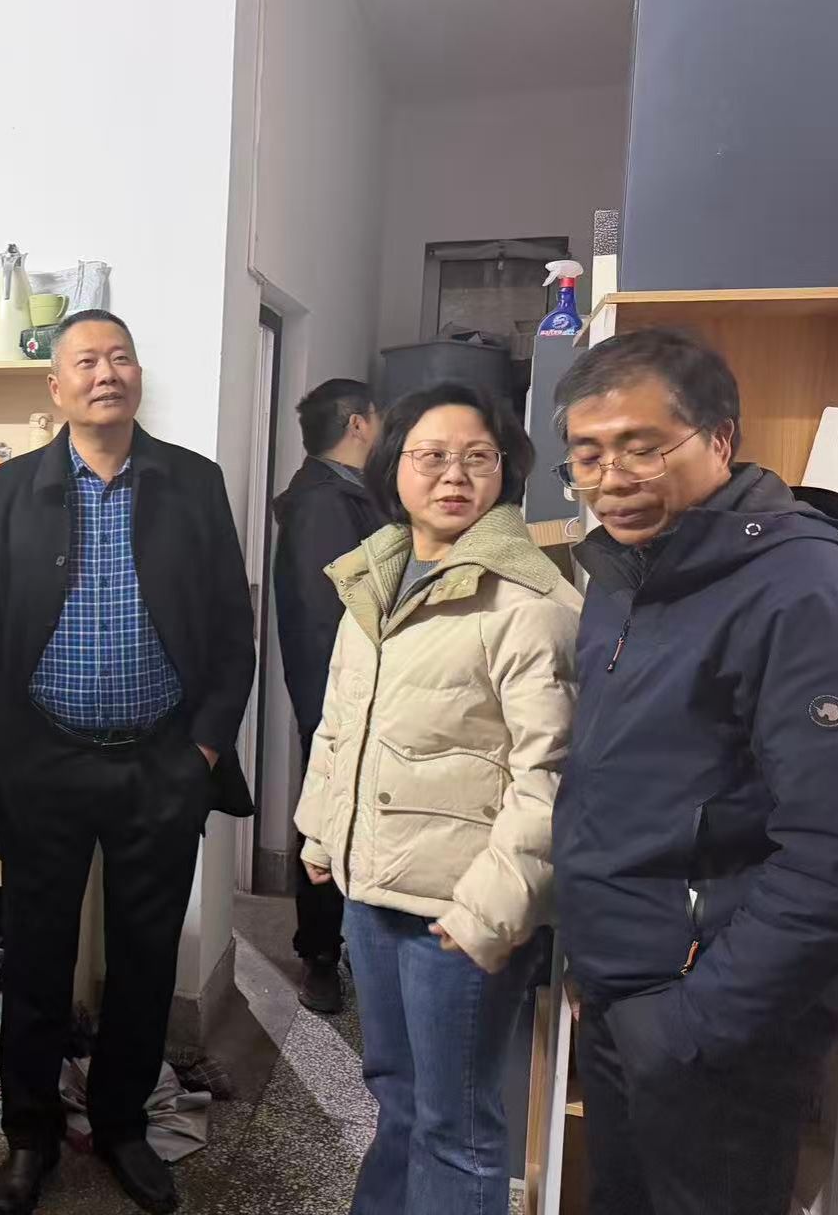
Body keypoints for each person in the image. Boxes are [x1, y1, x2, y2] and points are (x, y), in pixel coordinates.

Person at [551, 329, 838, 1215]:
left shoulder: (803, 589)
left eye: (642, 447)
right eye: (588, 455)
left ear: (720, 440)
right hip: (619, 990)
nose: (612, 478)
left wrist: (697, 1022)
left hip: (711, 1020)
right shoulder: (625, 572)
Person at [0, 308, 255, 1215]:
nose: (106, 373)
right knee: (36, 958)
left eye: (120, 357)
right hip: (42, 764)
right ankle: (30, 1136)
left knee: (145, 959)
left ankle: (124, 1125)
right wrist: (16, 754)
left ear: (138, 377)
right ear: (57, 388)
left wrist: (201, 749)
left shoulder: (193, 483)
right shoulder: (7, 493)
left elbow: (231, 629)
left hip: (161, 763)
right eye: (86, 361)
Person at [296, 381, 581, 1214]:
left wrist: (489, 909)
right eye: (431, 456)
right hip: (373, 887)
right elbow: (342, 722)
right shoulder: (375, 579)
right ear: (393, 466)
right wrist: (321, 834)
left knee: (456, 1127)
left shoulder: (531, 601)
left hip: (458, 909)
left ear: (506, 470)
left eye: (476, 457)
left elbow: (551, 773)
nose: (453, 475)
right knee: (396, 1096)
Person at [271, 377, 382, 1014]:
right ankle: (318, 954)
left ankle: (345, 947)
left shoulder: (349, 492)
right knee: (326, 816)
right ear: (358, 423)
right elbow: (325, 617)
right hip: (337, 695)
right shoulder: (323, 504)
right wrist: (332, 712)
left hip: (353, 693)